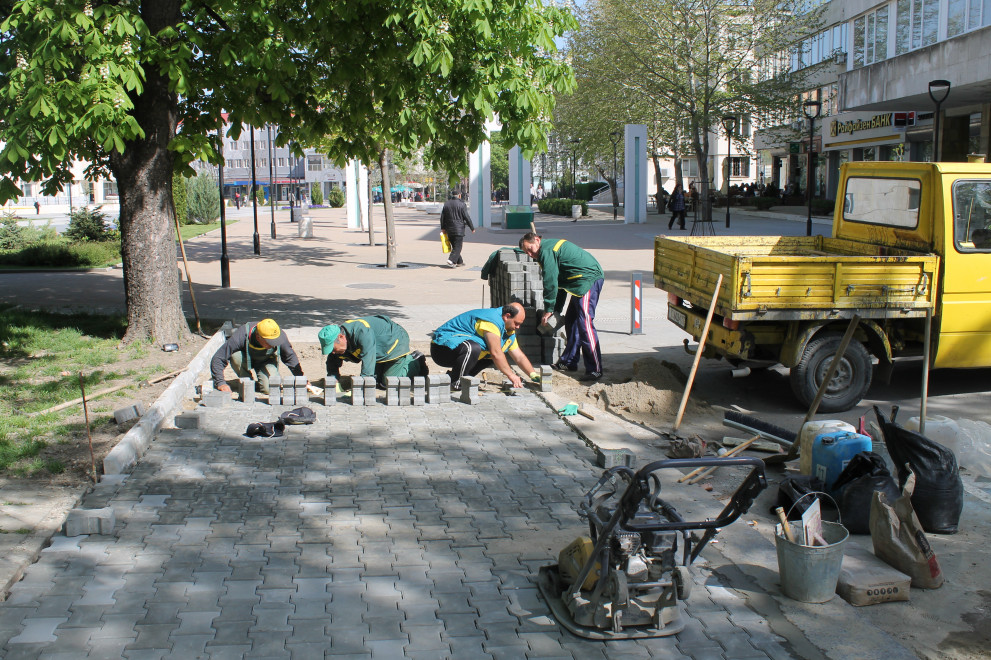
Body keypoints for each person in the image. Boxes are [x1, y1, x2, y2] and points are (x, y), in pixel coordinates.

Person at [518, 232, 604, 380]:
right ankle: (569, 361)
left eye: (530, 249)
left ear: (537, 240)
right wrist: (555, 310)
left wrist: (548, 309)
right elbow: (559, 286)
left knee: (585, 323)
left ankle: (595, 369)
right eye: (527, 253)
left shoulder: (547, 251)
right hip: (577, 283)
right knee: (571, 321)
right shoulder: (546, 250)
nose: (530, 254)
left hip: (588, 279)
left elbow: (550, 281)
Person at [430, 303, 538, 389]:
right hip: (442, 349)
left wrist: (532, 374)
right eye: (516, 323)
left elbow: (519, 357)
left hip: (458, 351)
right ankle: (456, 384)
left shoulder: (508, 330)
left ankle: (460, 378)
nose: (518, 327)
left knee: (489, 356)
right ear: (507, 316)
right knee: (474, 348)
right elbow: (496, 353)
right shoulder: (492, 322)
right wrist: (511, 375)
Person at [319, 316, 427, 389]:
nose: (333, 352)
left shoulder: (362, 333)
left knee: (388, 383)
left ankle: (415, 361)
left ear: (341, 337)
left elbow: (368, 364)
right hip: (379, 348)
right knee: (376, 381)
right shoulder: (339, 340)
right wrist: (333, 379)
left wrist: (359, 388)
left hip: (394, 341)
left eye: (333, 349)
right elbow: (332, 360)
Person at [211, 319, 305, 394]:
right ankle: (247, 381)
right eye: (269, 342)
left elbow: (290, 356)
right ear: (258, 337)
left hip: (266, 360)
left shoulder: (279, 335)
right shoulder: (241, 335)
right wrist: (220, 382)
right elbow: (218, 357)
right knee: (235, 356)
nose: (273, 345)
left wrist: (300, 377)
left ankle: (260, 383)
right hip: (245, 359)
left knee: (270, 389)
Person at [440, 190, 474, 267]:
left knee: (455, 246)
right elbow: (466, 217)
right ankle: (451, 260)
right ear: (459, 195)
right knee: (458, 246)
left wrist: (443, 227)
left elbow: (442, 217)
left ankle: (459, 262)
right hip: (459, 228)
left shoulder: (446, 204)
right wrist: (472, 227)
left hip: (449, 228)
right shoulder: (462, 204)